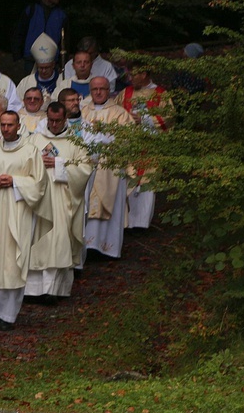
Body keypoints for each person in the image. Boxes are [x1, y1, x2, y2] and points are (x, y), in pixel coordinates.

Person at [0, 111, 49, 331]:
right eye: (3, 125)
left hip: (17, 211)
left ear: (18, 126)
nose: (5, 129)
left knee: (11, 260)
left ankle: (7, 314)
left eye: (10, 125)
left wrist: (15, 181)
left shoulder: (30, 152)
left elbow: (39, 183)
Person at [25, 103, 93, 298]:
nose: (54, 125)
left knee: (57, 241)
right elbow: (23, 163)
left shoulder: (75, 142)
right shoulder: (35, 140)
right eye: (51, 120)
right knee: (36, 242)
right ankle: (31, 290)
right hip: (38, 199)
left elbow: (85, 169)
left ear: (65, 119)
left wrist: (58, 164)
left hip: (62, 201)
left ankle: (53, 290)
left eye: (58, 121)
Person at [114, 64, 174, 229]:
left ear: (145, 73)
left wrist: (145, 120)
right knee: (128, 178)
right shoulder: (125, 93)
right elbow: (114, 113)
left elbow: (168, 118)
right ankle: (127, 222)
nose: (130, 78)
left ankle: (141, 223)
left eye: (134, 74)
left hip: (150, 145)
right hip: (128, 145)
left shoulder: (161, 94)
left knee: (146, 182)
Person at [81, 77, 134, 259]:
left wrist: (105, 138)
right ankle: (86, 247)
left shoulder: (120, 113)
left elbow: (128, 139)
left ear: (108, 90)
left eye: (102, 89)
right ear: (90, 90)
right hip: (87, 166)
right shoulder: (82, 112)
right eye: (94, 89)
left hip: (110, 166)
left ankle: (107, 248)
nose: (98, 92)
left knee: (111, 203)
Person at [12, 0, 68, 74]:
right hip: (30, 59)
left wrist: (62, 63)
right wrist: (18, 57)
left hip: (52, 60)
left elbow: (65, 41)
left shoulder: (61, 15)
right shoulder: (32, 10)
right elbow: (19, 33)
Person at [16, 32, 60, 108]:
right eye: (41, 68)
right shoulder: (26, 82)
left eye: (47, 67)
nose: (43, 71)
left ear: (53, 65)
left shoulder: (62, 80)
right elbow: (17, 102)